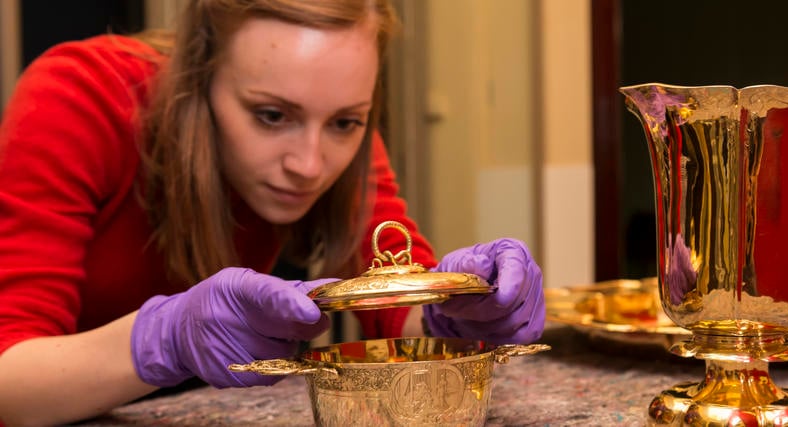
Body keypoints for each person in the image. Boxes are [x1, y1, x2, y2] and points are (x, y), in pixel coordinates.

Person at [0, 1, 545, 425]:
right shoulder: (82, 96)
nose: (310, 165)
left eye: (346, 122)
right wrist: (163, 338)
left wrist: (459, 311)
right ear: (201, 74)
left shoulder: (335, 127)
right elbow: (8, 382)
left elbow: (395, 311)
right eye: (270, 115)